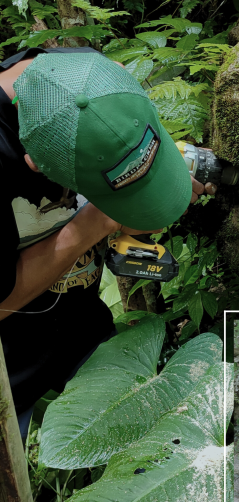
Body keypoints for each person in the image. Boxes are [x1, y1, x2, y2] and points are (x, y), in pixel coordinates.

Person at [0, 46, 214, 439]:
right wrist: (96, 220)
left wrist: (149, 187)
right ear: (35, 162)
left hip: (81, 331)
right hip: (11, 369)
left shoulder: (86, 76)